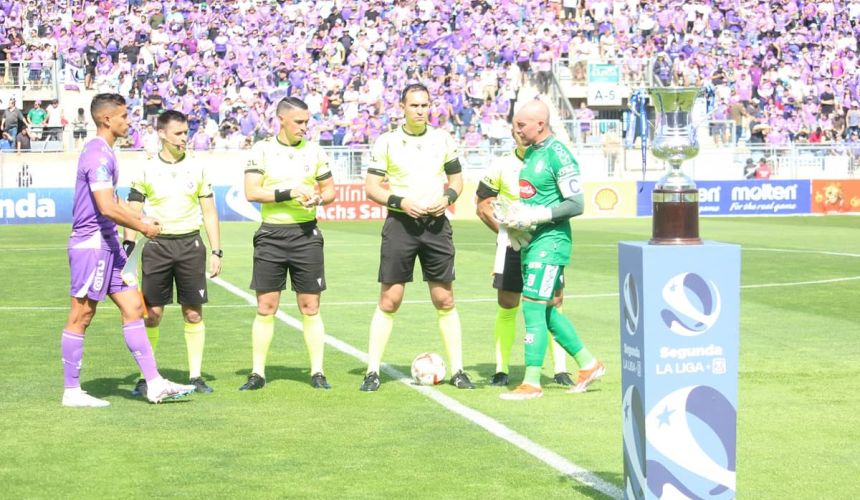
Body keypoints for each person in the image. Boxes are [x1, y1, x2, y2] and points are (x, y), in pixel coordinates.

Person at [60, 93, 195, 407]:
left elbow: (114, 200)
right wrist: (144, 227)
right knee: (82, 313)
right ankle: (72, 391)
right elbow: (106, 207)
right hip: (92, 244)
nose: (129, 121)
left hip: (108, 244)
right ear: (107, 119)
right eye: (124, 116)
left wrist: (140, 217)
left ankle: (155, 383)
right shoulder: (96, 155)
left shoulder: (106, 153)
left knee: (134, 307)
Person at [360, 83, 474, 392]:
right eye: (414, 106)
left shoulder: (443, 140)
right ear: (402, 107)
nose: (421, 111)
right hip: (401, 224)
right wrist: (401, 202)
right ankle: (372, 371)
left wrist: (448, 196)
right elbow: (371, 188)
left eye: (425, 105)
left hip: (436, 225)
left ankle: (459, 370)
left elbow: (457, 180)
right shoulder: (387, 142)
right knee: (390, 299)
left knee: (444, 298)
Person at [496, 100, 604, 400]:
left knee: (531, 305)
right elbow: (536, 199)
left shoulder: (559, 155)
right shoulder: (531, 154)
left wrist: (538, 216)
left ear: (540, 125)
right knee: (545, 308)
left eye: (521, 125)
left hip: (551, 242)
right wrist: (518, 220)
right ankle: (588, 363)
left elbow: (576, 203)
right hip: (533, 241)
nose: (516, 129)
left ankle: (531, 382)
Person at [123, 110, 223, 396]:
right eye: (178, 133)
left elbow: (209, 212)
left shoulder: (198, 168)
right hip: (156, 247)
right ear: (162, 134)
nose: (184, 138)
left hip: (190, 245)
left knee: (193, 313)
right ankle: (149, 377)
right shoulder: (145, 169)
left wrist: (216, 251)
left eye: (186, 132)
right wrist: (128, 250)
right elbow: (133, 213)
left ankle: (195, 376)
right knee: (152, 314)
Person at [241, 97, 336, 391]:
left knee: (310, 305)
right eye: (299, 122)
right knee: (266, 306)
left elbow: (330, 190)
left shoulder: (314, 151)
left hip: (306, 235)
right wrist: (289, 192)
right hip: (271, 234)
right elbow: (252, 192)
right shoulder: (262, 150)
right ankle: (258, 373)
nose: (304, 127)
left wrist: (319, 197)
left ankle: (317, 371)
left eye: (307, 122)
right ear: (281, 119)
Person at [475, 127, 575, 387]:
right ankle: (501, 368)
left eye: (527, 129)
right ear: (511, 133)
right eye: (518, 129)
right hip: (512, 245)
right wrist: (505, 233)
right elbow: (482, 204)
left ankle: (561, 369)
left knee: (552, 302)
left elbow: (568, 200)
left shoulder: (550, 159)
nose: (523, 134)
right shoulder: (501, 164)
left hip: (544, 243)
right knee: (508, 303)